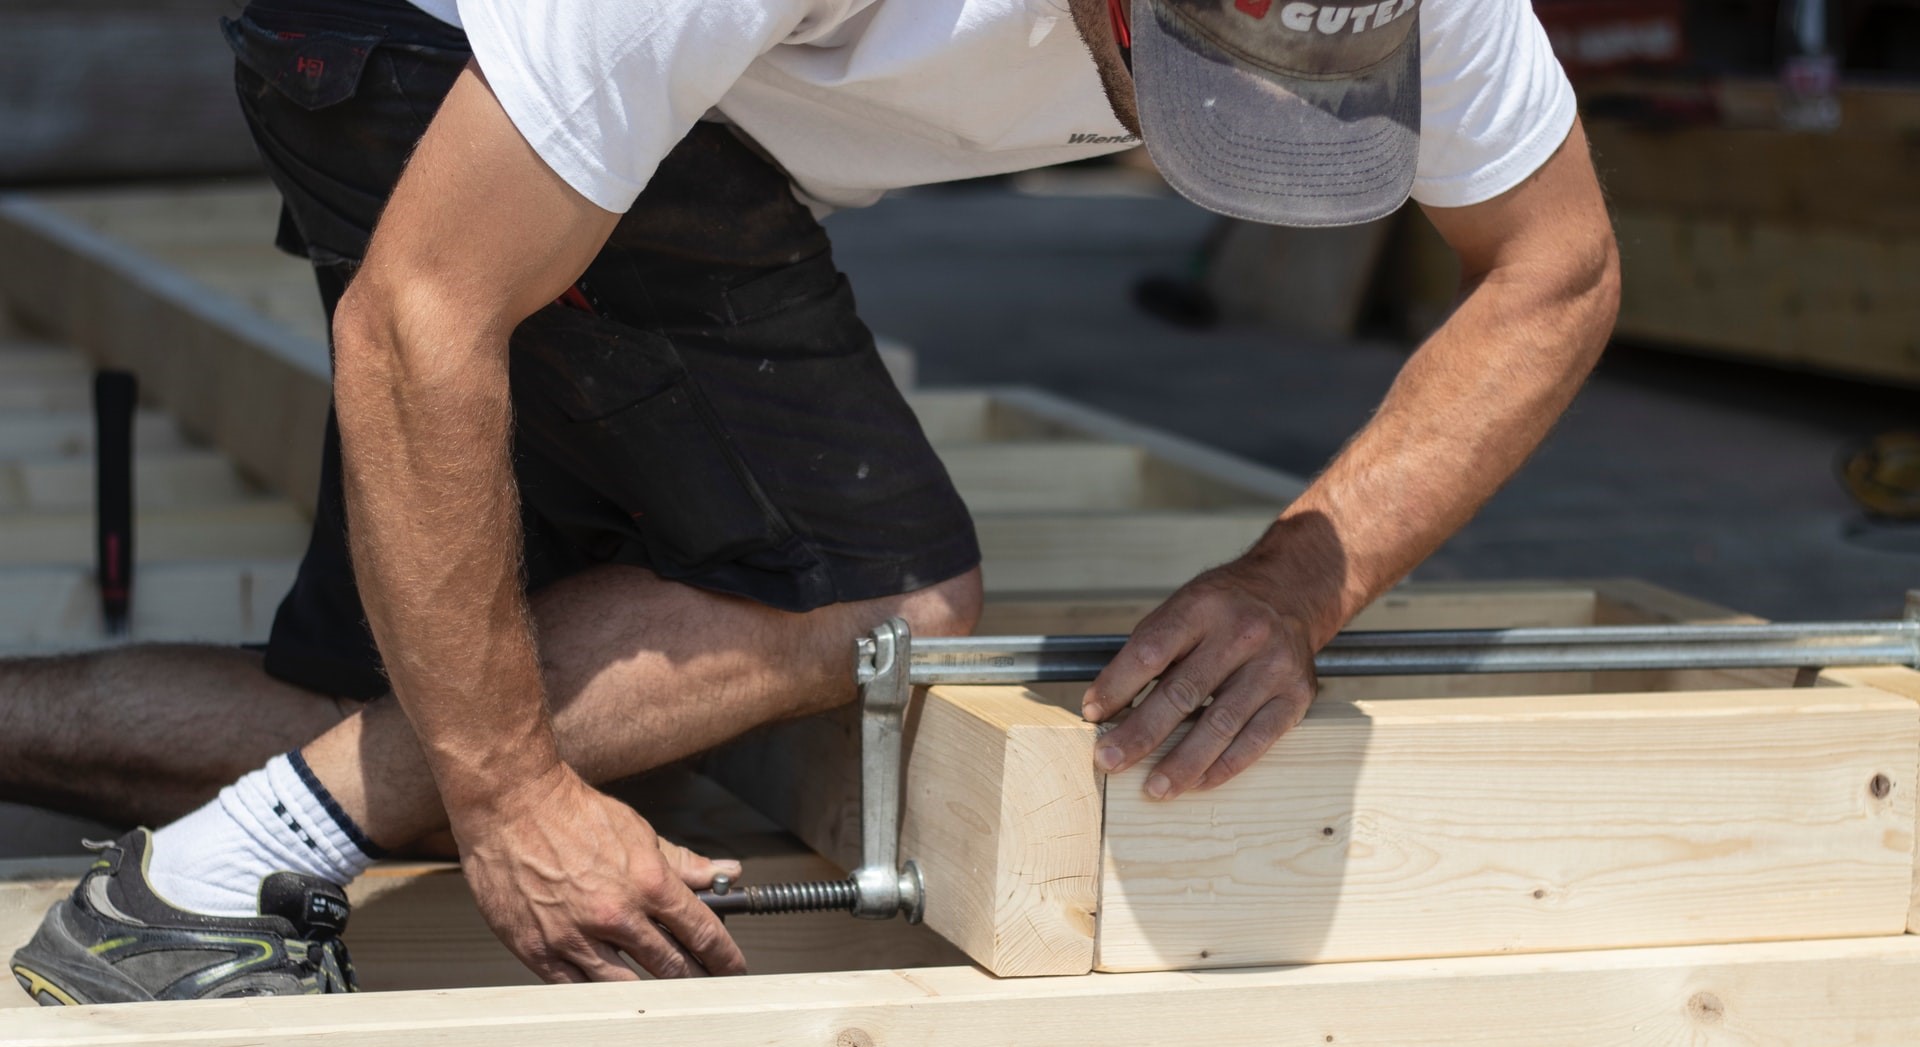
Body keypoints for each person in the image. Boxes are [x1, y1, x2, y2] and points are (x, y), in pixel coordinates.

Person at [6, 0, 1617, 1004]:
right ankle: (199, 892)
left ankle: (245, 821)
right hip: (435, 46)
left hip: (641, 105)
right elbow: (418, 317)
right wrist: (509, 806)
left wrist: (1296, 585)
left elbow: (1559, 266)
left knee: (394, 704)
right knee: (866, 597)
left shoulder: (1427, 6)